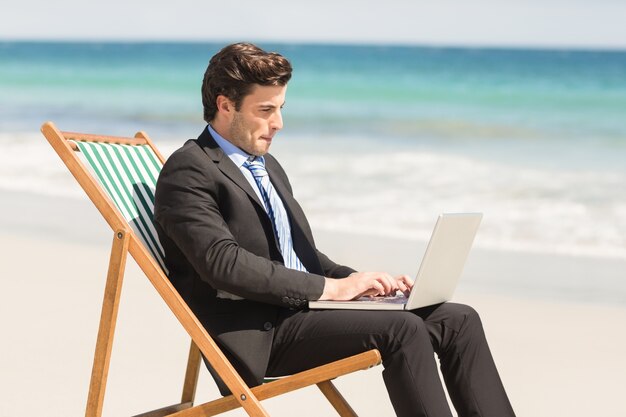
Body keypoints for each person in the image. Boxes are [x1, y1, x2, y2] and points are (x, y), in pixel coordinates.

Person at [154, 42, 515, 417]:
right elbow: (222, 264)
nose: (278, 123)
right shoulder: (189, 169)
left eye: (280, 109)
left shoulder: (267, 165)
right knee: (402, 329)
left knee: (458, 319)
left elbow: (299, 254)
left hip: (303, 311)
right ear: (225, 104)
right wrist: (334, 290)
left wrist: (359, 282)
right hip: (262, 333)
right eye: (265, 110)